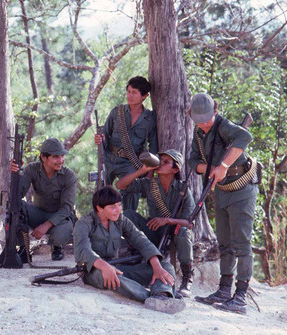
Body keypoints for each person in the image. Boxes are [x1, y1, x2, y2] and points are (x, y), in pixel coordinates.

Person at [188, 93, 258, 314]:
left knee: (242, 244)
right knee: (225, 243)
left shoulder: (224, 126)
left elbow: (245, 137)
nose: (202, 123)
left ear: (215, 112)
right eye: (198, 119)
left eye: (206, 118)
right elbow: (192, 161)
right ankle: (224, 289)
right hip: (222, 190)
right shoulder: (199, 133)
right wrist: (209, 169)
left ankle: (240, 296)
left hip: (242, 188)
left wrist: (224, 165)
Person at [73, 186, 185, 314]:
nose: (118, 210)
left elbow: (141, 240)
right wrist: (105, 267)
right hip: (93, 271)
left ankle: (162, 294)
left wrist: (157, 267)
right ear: (99, 208)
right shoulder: (84, 223)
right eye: (113, 207)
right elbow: (83, 250)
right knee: (114, 278)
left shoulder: (120, 220)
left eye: (119, 205)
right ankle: (153, 298)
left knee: (165, 266)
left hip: (117, 266)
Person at [115, 149, 195, 297]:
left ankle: (187, 278)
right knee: (128, 215)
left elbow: (189, 222)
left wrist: (167, 220)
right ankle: (137, 252)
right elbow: (121, 185)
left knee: (184, 231)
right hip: (154, 232)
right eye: (160, 160)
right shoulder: (150, 184)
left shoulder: (183, 189)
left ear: (175, 169)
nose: (161, 163)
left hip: (174, 235)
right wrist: (143, 170)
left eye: (166, 162)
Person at [94, 76, 158, 211]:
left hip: (131, 162)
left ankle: (128, 222)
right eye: (128, 91)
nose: (130, 95)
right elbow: (105, 134)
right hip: (109, 158)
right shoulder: (117, 112)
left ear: (144, 96)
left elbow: (153, 146)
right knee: (100, 192)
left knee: (131, 194)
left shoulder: (149, 118)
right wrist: (100, 139)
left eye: (134, 92)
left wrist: (149, 173)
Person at [9, 138, 77, 261]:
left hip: (60, 217)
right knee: (14, 207)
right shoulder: (32, 169)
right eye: (56, 157)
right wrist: (16, 174)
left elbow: (67, 208)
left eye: (62, 156)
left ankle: (57, 246)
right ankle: (23, 247)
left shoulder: (69, 176)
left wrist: (46, 225)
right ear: (44, 158)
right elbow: (17, 195)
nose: (61, 160)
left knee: (61, 233)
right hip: (38, 213)